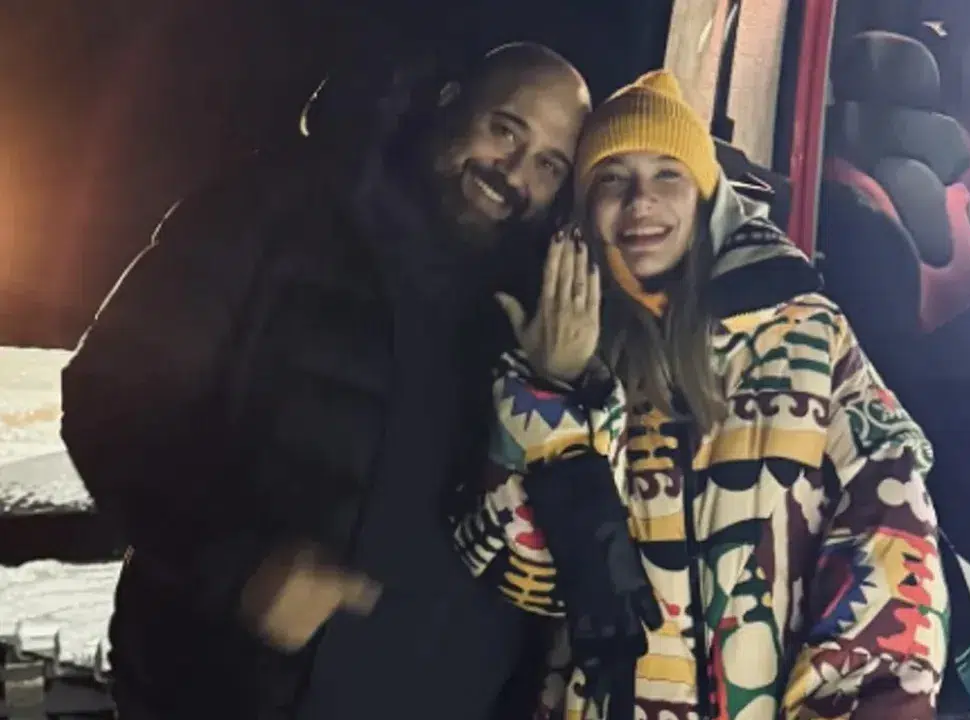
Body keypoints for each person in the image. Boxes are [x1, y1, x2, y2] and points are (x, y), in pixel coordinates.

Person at [60, 42, 591, 720]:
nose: (514, 173)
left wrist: (557, 383)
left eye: (548, 164)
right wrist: (240, 567)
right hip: (234, 693)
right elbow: (113, 396)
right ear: (449, 100)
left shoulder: (539, 303)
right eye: (506, 130)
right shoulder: (275, 209)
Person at [458, 69, 949, 719]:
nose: (641, 202)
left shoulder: (806, 336)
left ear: (708, 196)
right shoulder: (558, 349)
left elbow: (890, 541)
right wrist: (554, 394)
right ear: (582, 212)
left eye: (668, 174)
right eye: (612, 179)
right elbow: (525, 580)